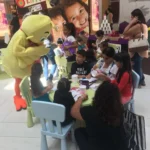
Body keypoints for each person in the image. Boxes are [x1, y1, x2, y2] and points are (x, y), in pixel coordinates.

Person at [71, 81, 127, 150]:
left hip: (97, 146)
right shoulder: (119, 109)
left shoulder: (90, 111)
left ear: (98, 95)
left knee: (78, 131)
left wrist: (81, 98)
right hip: (119, 146)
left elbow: (73, 112)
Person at [123, 9, 148, 87]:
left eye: (132, 16)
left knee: (136, 65)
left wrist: (131, 23)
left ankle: (138, 82)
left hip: (136, 48)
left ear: (136, 17)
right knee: (138, 64)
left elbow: (125, 32)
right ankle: (142, 80)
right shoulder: (144, 24)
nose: (131, 18)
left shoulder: (137, 26)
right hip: (141, 48)